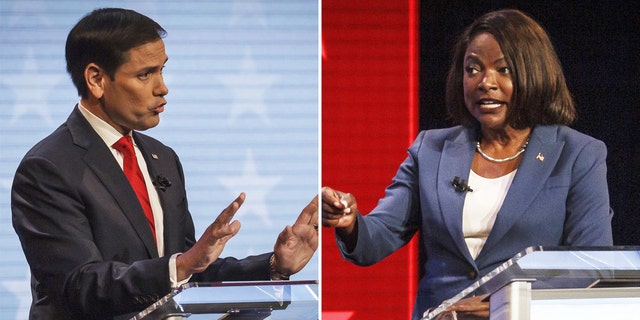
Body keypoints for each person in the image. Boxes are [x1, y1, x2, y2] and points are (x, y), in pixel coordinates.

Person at [11, 8, 318, 320]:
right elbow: (79, 285)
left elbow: (188, 271)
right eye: (145, 74)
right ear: (96, 79)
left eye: (162, 71)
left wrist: (273, 267)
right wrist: (180, 266)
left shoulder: (163, 158)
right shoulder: (48, 168)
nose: (162, 87)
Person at [322, 9, 613, 320]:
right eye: (473, 69)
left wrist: (506, 303)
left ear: (534, 73)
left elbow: (591, 267)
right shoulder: (431, 150)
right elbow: (377, 238)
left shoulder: (578, 154)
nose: (485, 82)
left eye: (503, 70)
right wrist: (350, 223)